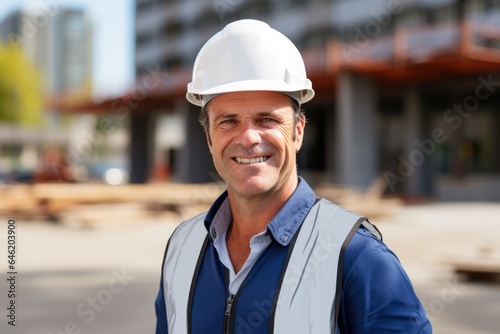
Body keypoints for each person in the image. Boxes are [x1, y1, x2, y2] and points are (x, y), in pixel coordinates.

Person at [155, 19, 432, 333]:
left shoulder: (356, 256)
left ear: (298, 131)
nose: (247, 138)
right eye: (228, 121)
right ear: (209, 138)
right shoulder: (183, 248)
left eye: (267, 119)